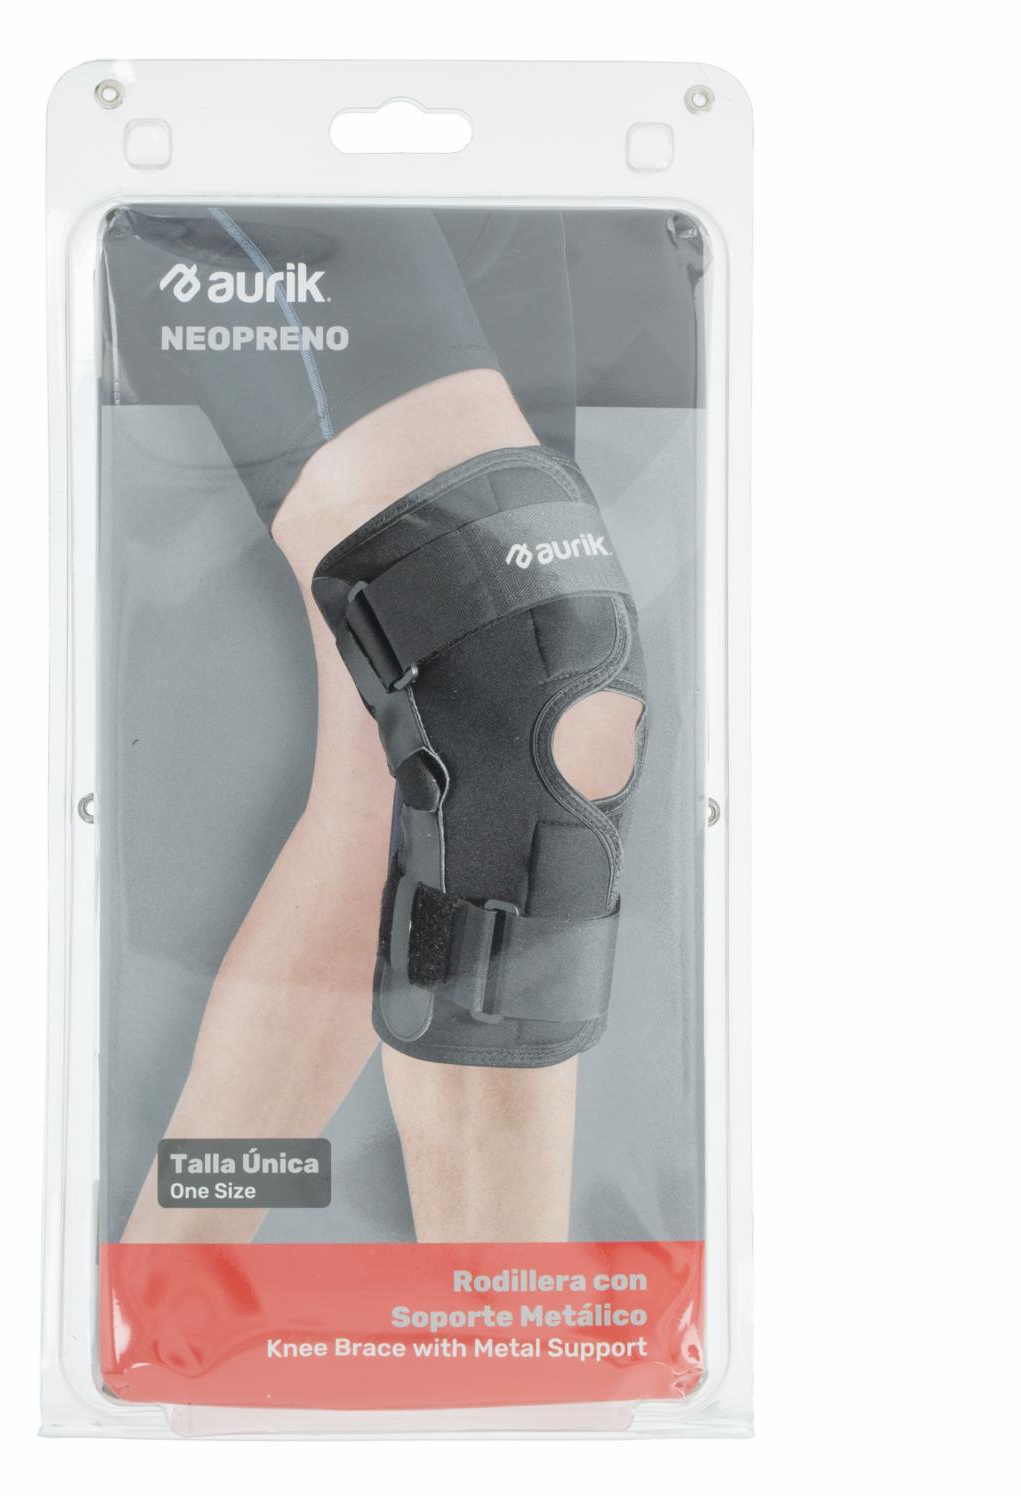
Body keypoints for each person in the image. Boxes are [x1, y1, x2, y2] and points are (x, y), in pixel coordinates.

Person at [102, 207, 642, 1243]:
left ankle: (169, 1299)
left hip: (511, 160)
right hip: (256, 140)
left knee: (409, 778)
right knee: (512, 683)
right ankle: (504, 1326)